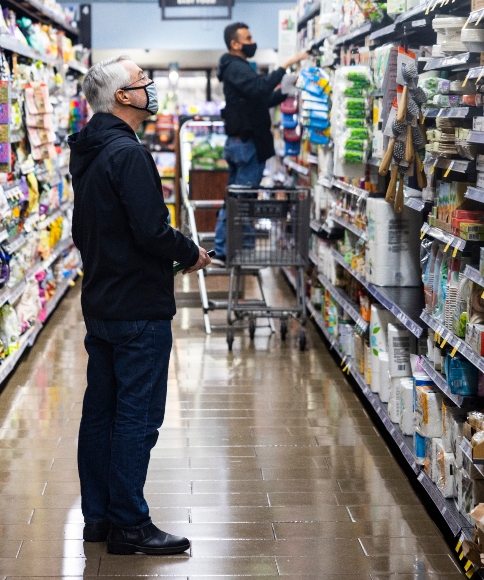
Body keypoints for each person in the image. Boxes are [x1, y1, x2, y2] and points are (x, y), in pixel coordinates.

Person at [68, 55, 211, 556]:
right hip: (137, 308)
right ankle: (130, 524)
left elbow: (95, 229)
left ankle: (99, 519)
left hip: (102, 300)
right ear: (124, 97)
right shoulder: (127, 153)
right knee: (136, 416)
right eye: (142, 81)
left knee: (100, 413)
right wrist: (189, 252)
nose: (150, 87)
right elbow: (150, 229)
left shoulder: (88, 149)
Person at [214, 23, 308, 262]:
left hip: (242, 142)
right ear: (235, 44)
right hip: (247, 144)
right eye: (248, 37)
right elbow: (259, 88)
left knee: (237, 199)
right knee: (243, 202)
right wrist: (284, 66)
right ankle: (237, 250)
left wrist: (284, 92)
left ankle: (228, 248)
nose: (252, 41)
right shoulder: (234, 66)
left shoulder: (237, 67)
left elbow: (259, 100)